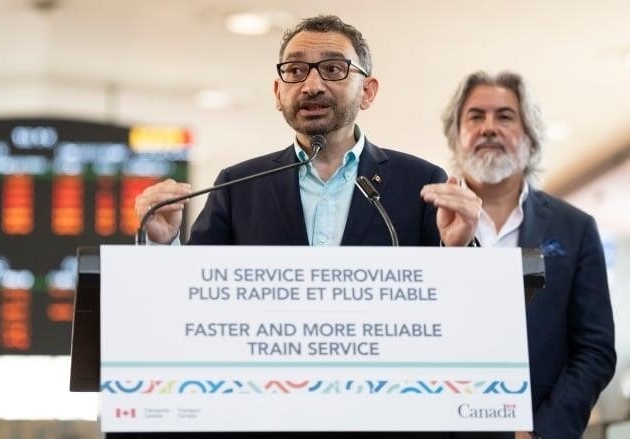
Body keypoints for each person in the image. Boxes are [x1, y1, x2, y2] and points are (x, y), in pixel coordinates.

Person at [135, 15, 480, 249]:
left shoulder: (421, 184)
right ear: (277, 92)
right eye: (296, 70)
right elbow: (195, 296)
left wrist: (457, 253)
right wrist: (163, 243)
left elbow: (453, 309)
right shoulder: (237, 188)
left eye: (332, 69)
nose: (311, 85)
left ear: (368, 92)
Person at [441, 71, 616, 438]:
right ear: (456, 137)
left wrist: (543, 432)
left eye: (505, 116)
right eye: (475, 116)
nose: (489, 127)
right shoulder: (419, 219)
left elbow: (594, 349)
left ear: (531, 138)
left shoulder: (575, 228)